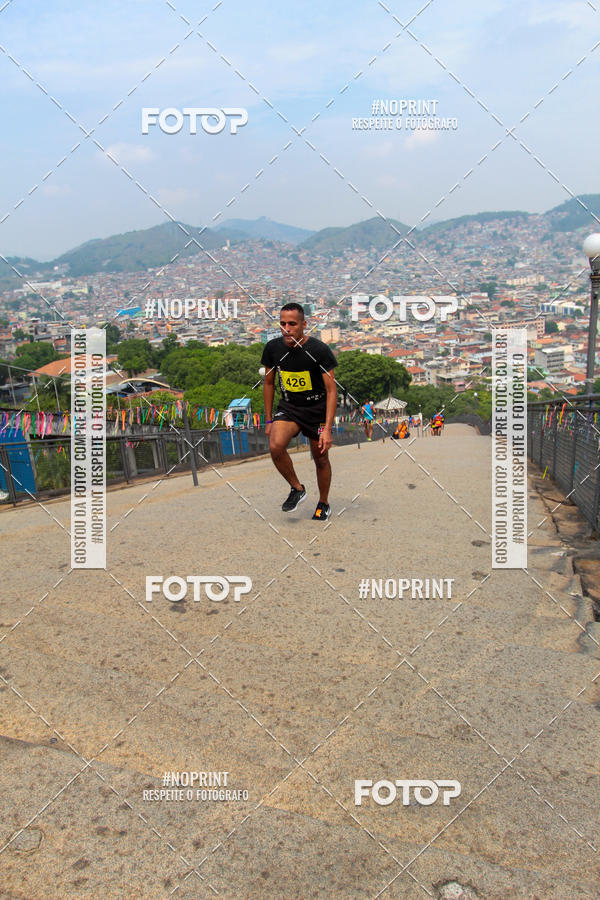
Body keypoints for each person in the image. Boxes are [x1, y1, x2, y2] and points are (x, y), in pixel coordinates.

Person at [262, 303, 338, 520]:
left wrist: (327, 429)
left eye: (292, 324)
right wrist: (268, 420)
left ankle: (323, 503)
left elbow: (331, 390)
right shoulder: (273, 348)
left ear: (304, 325)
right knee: (275, 446)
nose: (287, 329)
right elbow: (269, 383)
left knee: (320, 458)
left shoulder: (319, 350)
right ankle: (297, 488)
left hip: (317, 411)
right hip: (290, 407)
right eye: (282, 324)